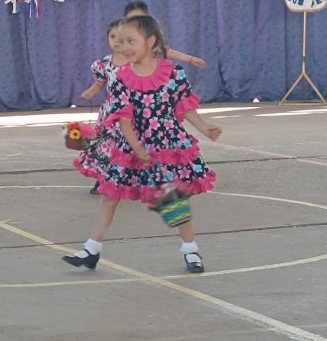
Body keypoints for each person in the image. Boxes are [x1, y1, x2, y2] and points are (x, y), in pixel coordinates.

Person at [64, 15, 221, 273]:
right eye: (120, 41)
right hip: (132, 146)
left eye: (130, 41)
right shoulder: (122, 77)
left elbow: (184, 105)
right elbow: (124, 118)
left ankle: (190, 250)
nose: (123, 46)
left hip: (168, 144)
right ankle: (91, 249)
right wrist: (137, 148)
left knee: (174, 197)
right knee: (110, 195)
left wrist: (204, 128)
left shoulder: (174, 72)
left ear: (151, 41)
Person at [79, 19, 126, 195]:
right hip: (110, 114)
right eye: (113, 37)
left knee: (129, 148)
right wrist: (90, 92)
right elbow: (99, 84)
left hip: (134, 113)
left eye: (122, 37)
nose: (117, 41)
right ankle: (103, 180)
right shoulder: (104, 63)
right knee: (105, 147)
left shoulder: (136, 61)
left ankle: (130, 181)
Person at [123, 0, 207, 68]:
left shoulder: (152, 33)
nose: (137, 22)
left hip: (153, 71)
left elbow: (165, 51)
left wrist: (190, 59)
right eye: (132, 19)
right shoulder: (121, 35)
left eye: (141, 18)